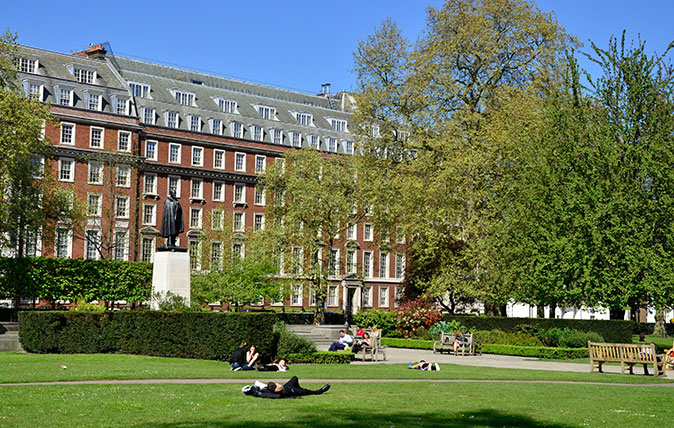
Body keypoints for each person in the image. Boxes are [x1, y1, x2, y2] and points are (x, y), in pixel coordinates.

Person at [242, 377, 330, 399]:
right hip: (292, 391)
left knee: (294, 378)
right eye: (277, 386)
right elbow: (263, 395)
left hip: (288, 386)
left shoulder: (272, 388)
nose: (279, 385)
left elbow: (261, 390)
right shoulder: (277, 395)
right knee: (308, 392)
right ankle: (320, 391)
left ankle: (298, 386)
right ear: (275, 390)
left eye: (277, 384)